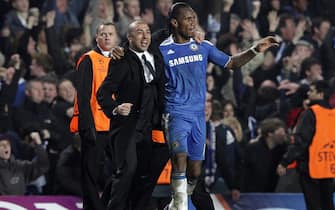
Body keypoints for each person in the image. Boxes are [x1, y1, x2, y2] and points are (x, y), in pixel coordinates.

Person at [159, 3, 279, 209]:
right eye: (188, 19)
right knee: (179, 158)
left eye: (194, 18)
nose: (193, 22)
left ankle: (174, 202)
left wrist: (255, 49)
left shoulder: (203, 46)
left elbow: (232, 63)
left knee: (195, 172)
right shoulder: (162, 50)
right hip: (176, 113)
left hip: (198, 117)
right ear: (174, 22)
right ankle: (180, 206)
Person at [97, 20, 166, 210]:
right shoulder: (121, 60)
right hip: (127, 127)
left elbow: (169, 30)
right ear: (129, 38)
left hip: (149, 128)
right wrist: (115, 108)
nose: (144, 36)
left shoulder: (156, 53)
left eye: (147, 32)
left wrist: (196, 34)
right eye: (139, 33)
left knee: (143, 176)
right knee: (127, 170)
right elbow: (102, 93)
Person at [69, 22, 122, 210]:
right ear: (96, 38)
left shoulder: (121, 60)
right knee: (90, 173)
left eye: (110, 34)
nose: (107, 37)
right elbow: (83, 97)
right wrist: (86, 125)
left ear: (116, 37)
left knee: (122, 171)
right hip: (95, 127)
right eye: (103, 34)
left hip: (116, 126)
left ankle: (104, 204)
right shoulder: (88, 59)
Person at [277, 80, 335, 210]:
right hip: (328, 168)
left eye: (312, 91)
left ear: (320, 94)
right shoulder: (333, 114)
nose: (308, 93)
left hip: (311, 168)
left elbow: (300, 141)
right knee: (328, 204)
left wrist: (285, 161)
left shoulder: (310, 113)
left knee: (313, 205)